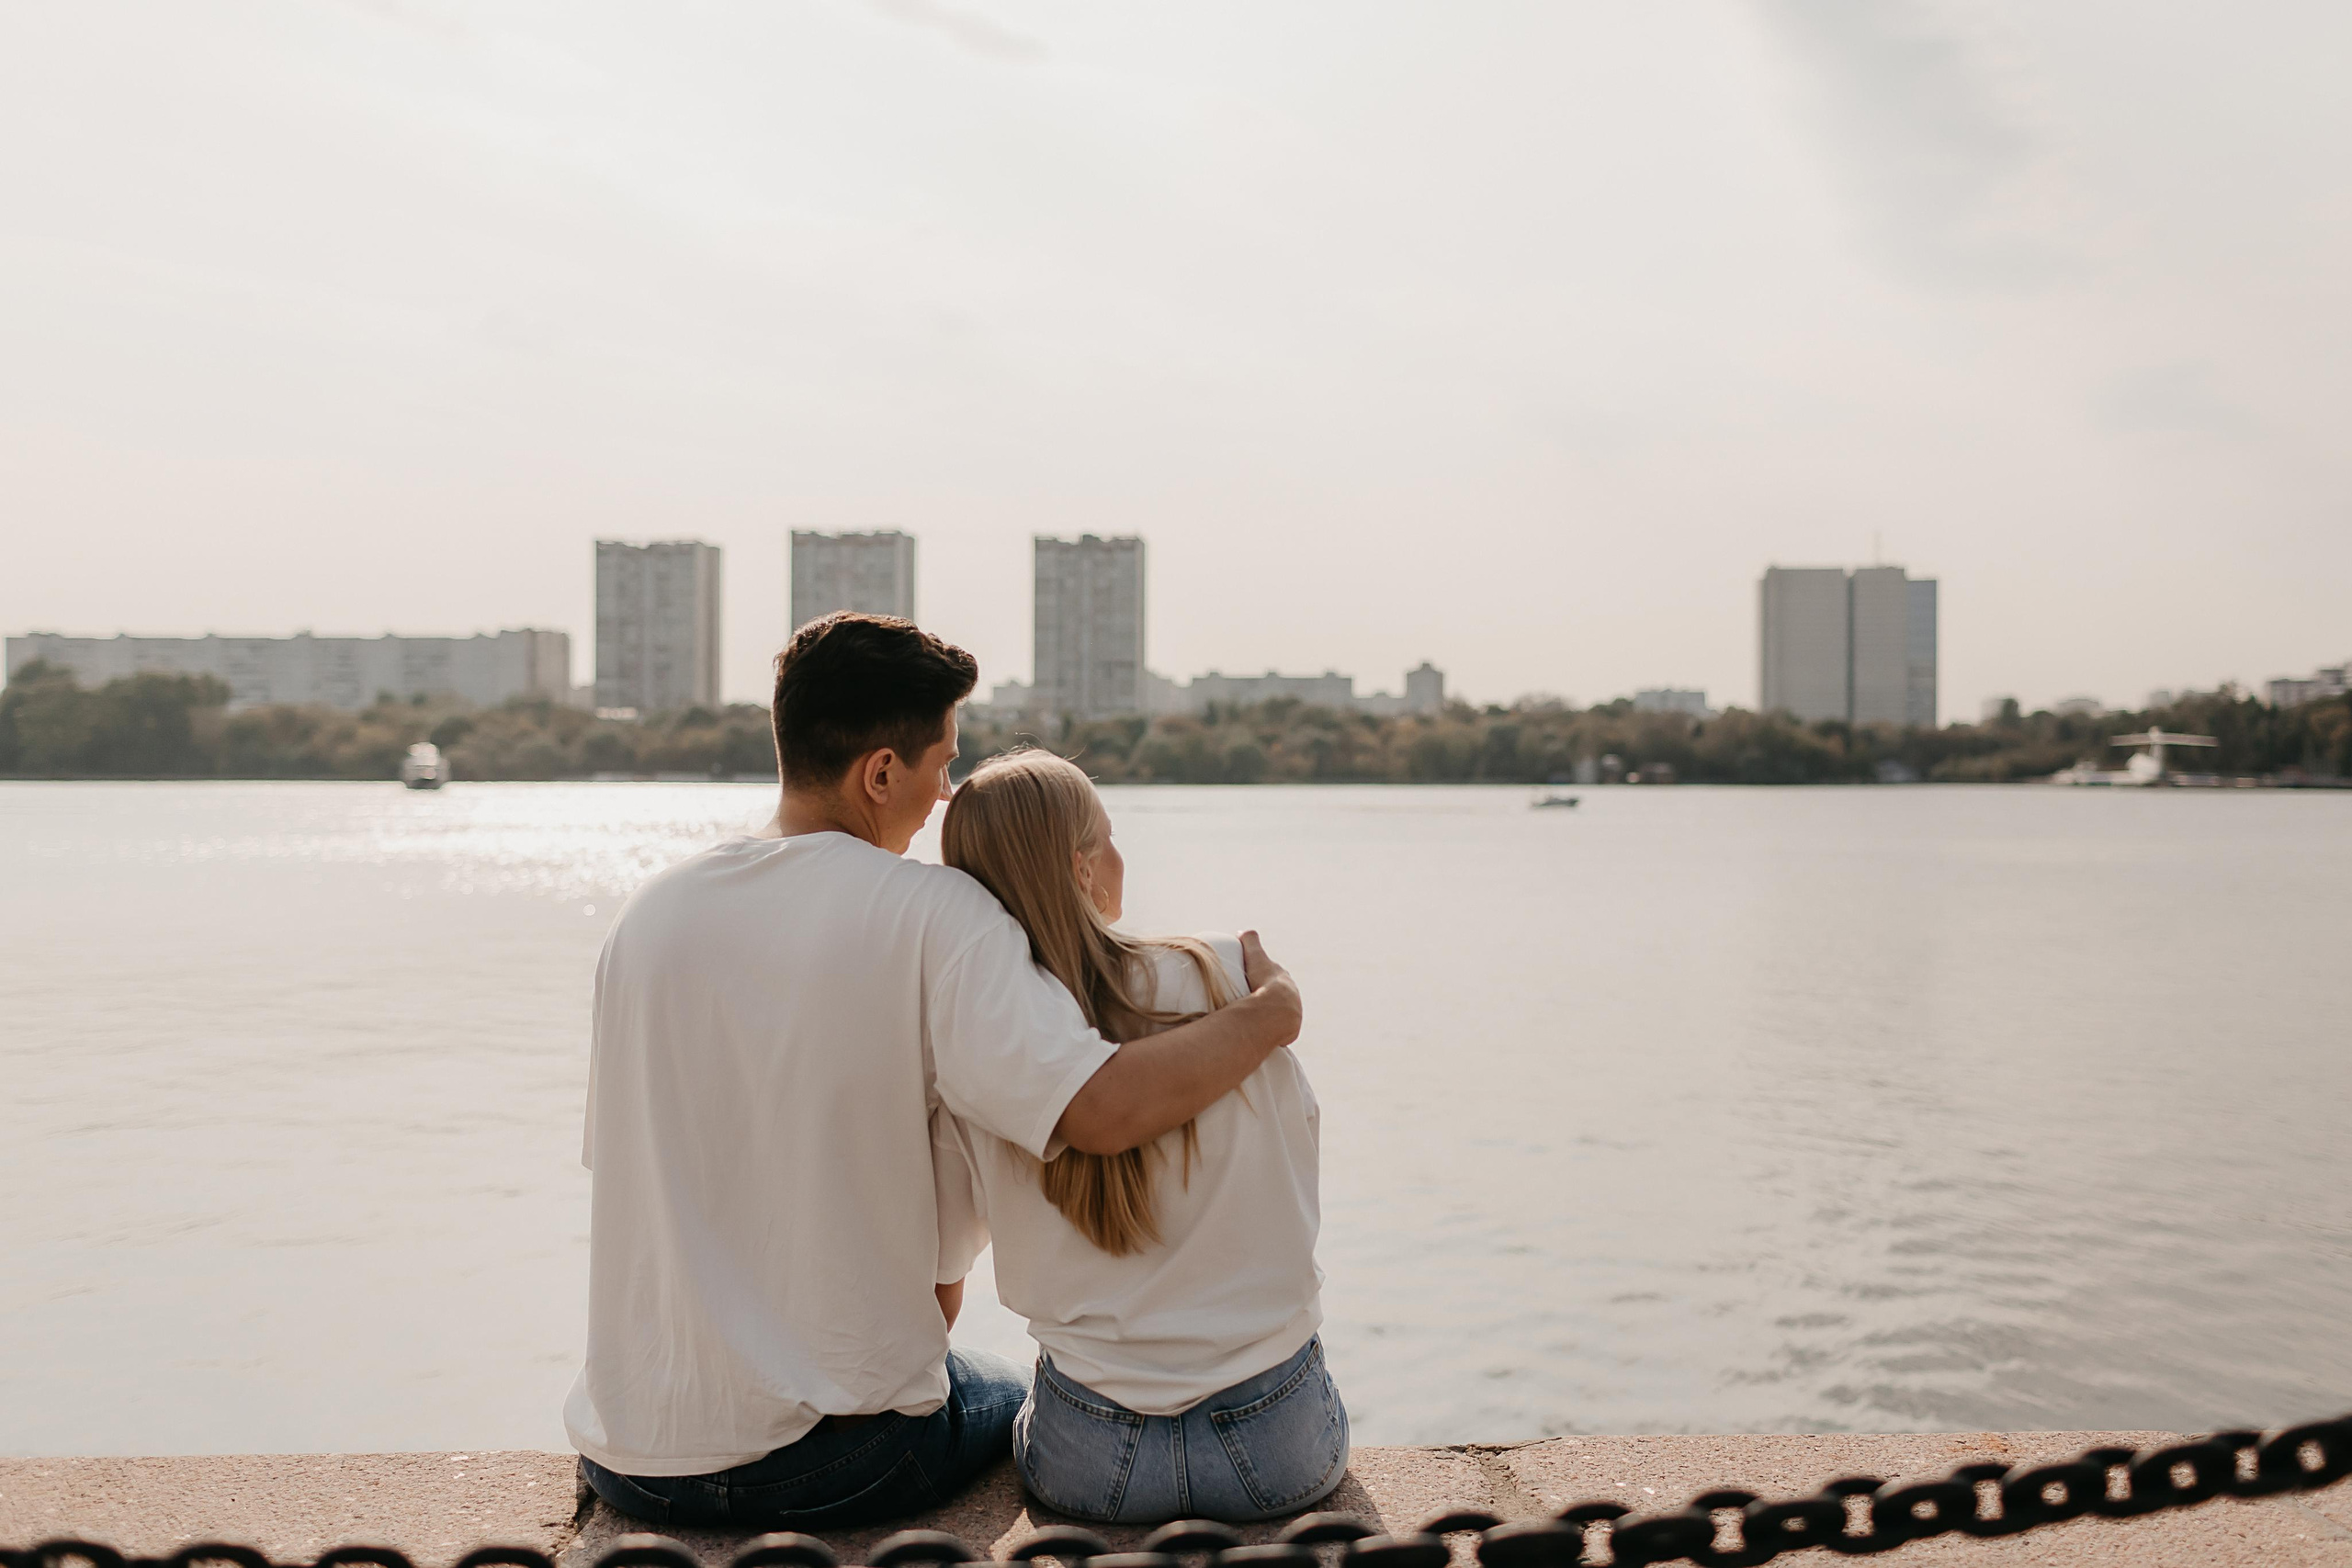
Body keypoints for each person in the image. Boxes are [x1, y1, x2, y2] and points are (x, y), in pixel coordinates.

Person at [565, 615, 1303, 1530]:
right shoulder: (934, 912)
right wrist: (1268, 1017)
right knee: (1014, 1397)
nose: (944, 797)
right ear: (880, 772)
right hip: (835, 1464)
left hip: (630, 1458)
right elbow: (1099, 1111)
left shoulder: (647, 917)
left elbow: (629, 1176)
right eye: (941, 765)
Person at [933, 750, 1345, 1524]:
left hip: (1093, 1460)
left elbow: (943, 1262)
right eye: (1109, 836)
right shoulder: (1227, 976)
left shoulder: (985, 1048)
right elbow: (1299, 1161)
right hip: (1277, 1441)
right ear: (1084, 871)